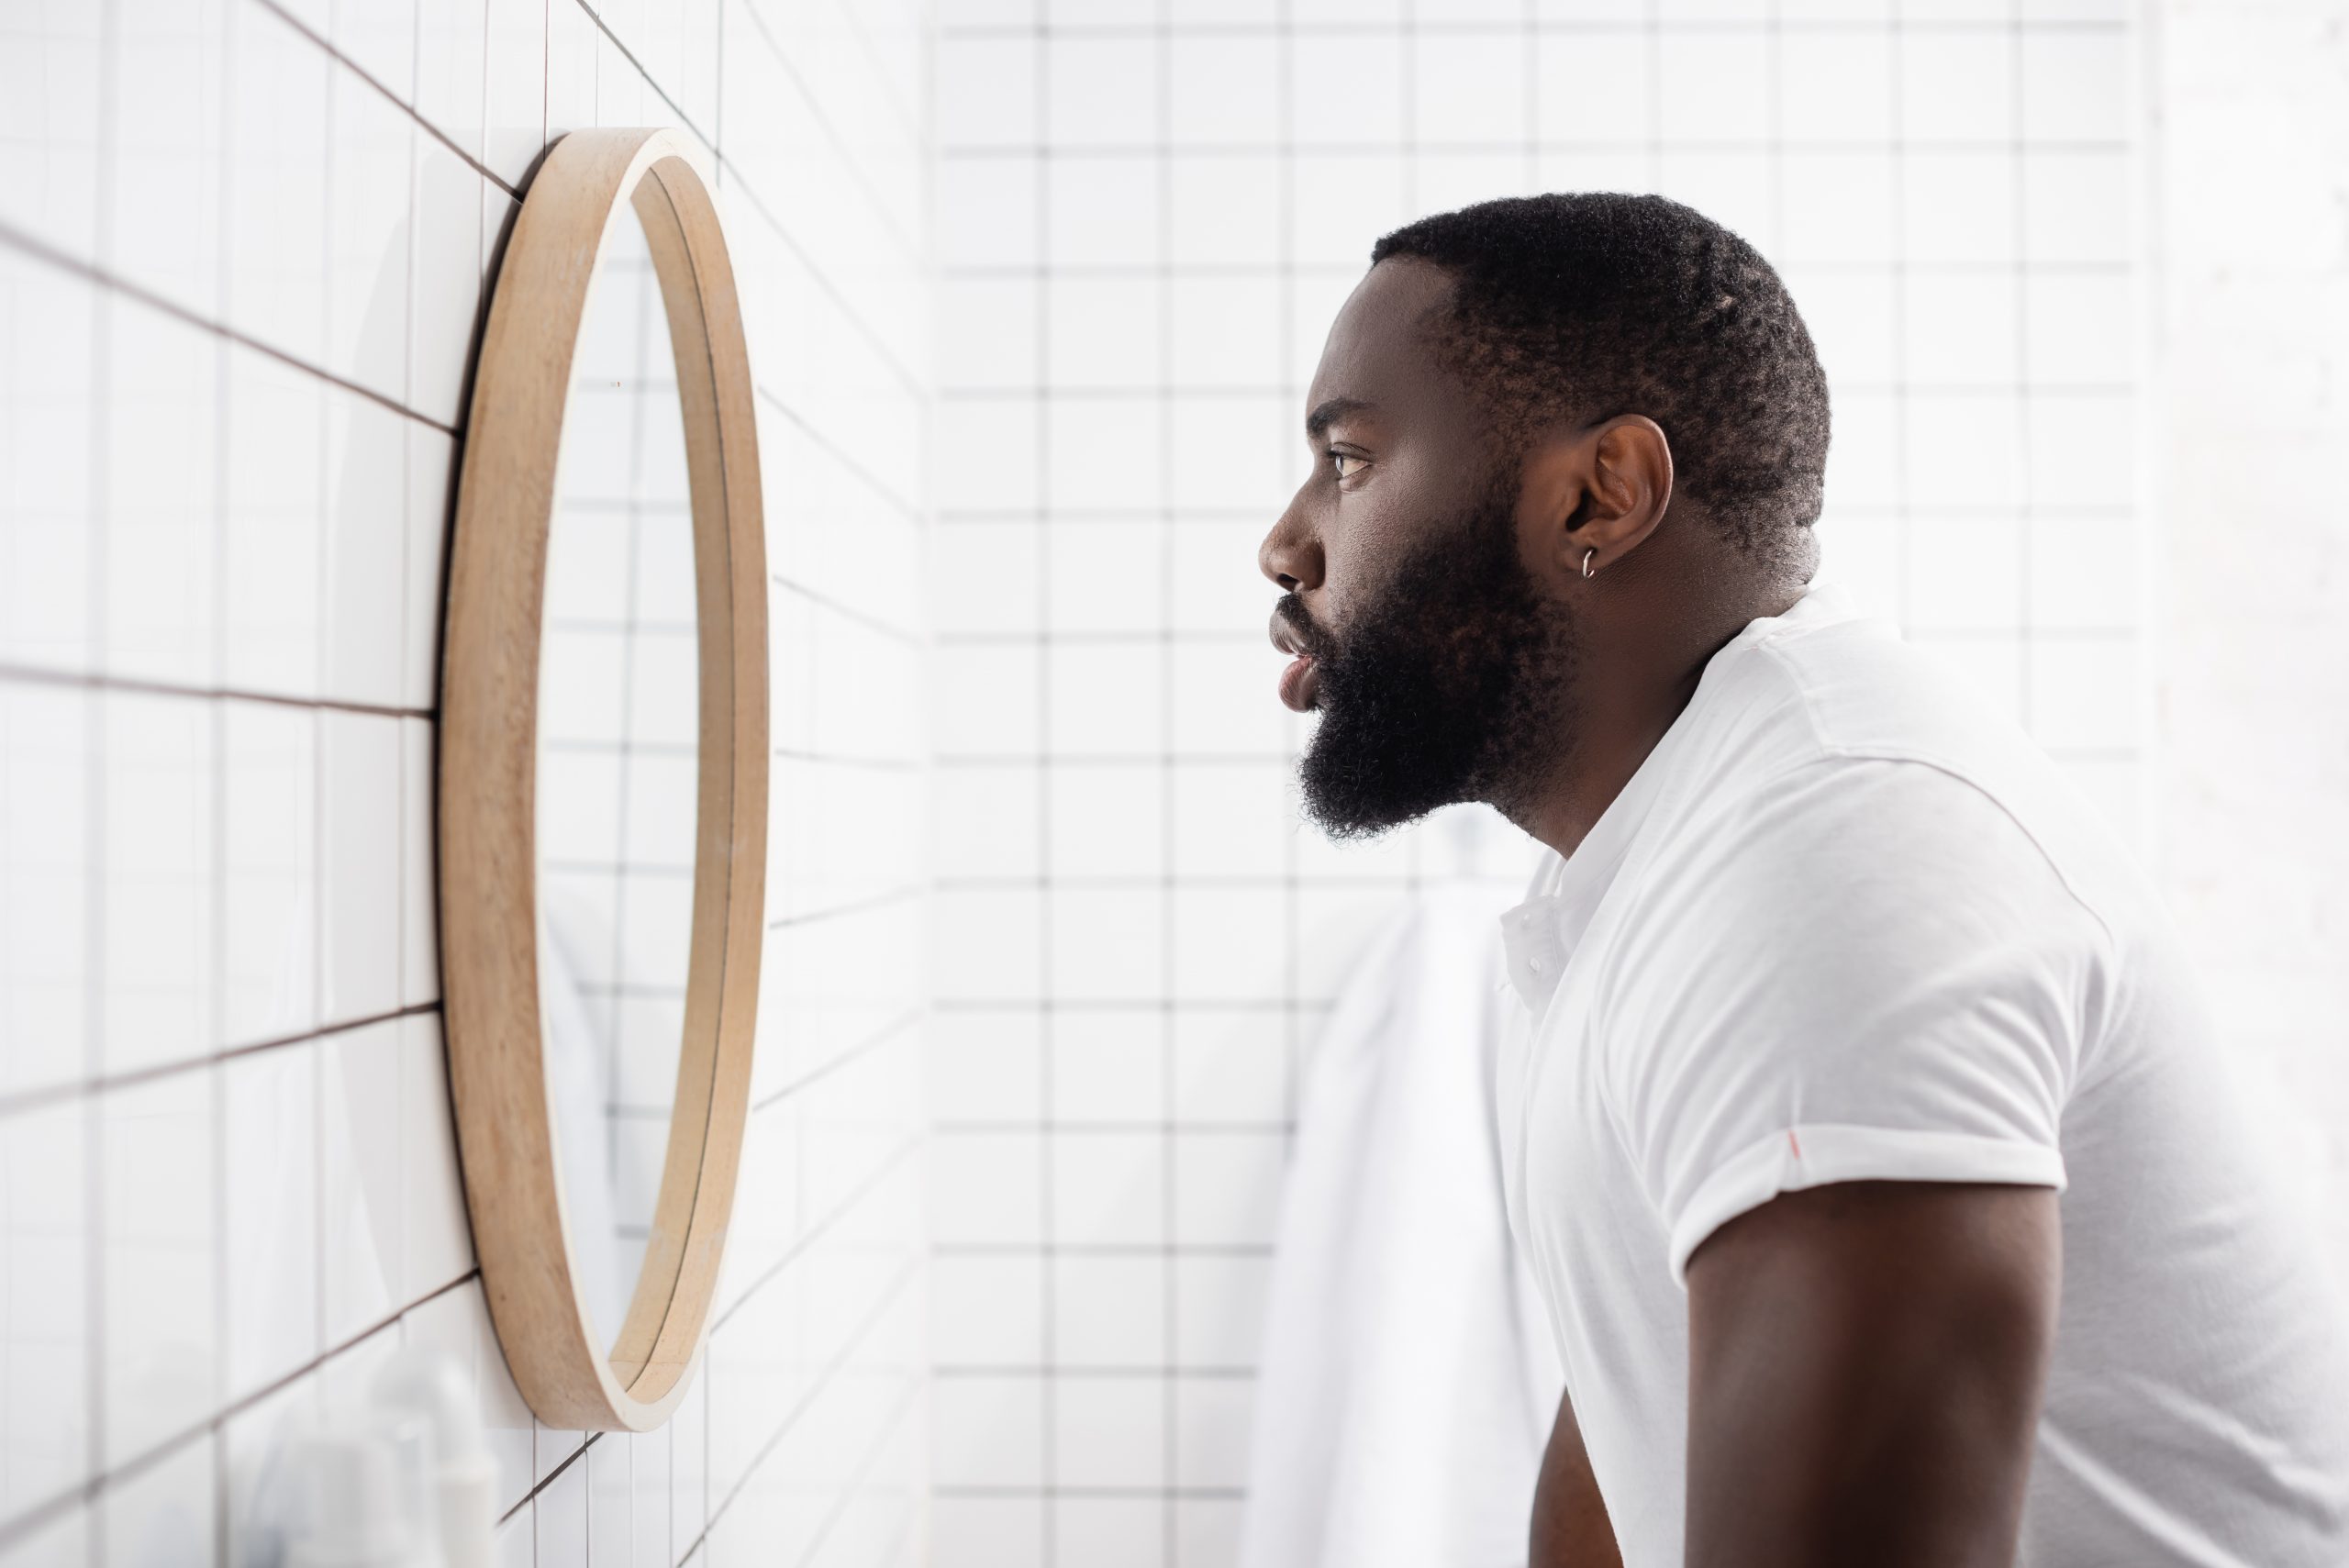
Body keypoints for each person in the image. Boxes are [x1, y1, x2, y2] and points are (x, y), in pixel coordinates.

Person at [1256, 192, 2349, 1568]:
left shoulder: (1833, 852)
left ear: (1600, 498)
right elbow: (1629, 1441)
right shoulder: (1653, 872)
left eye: (1349, 460)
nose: (1287, 543)